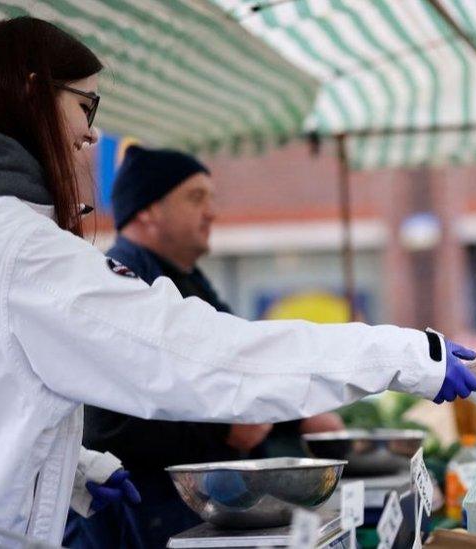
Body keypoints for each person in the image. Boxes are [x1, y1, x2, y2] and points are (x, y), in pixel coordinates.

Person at [0, 17, 476, 545]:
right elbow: (200, 356)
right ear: (35, 93)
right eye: (86, 103)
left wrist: (77, 468)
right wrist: (402, 355)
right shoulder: (21, 249)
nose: (92, 129)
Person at [65, 145, 345, 547]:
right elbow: (107, 423)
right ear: (148, 210)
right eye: (196, 197)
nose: (211, 211)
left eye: (212, 199)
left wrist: (297, 419)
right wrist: (221, 433)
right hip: (136, 523)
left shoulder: (189, 278)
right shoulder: (121, 281)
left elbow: (239, 362)